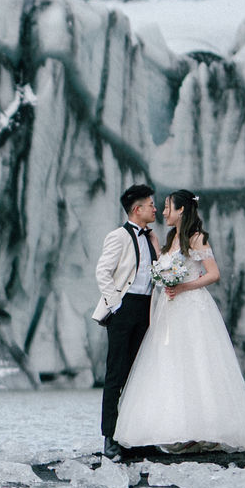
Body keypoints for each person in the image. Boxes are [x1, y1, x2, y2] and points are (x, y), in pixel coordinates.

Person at [113, 189, 245, 453]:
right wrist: (159, 252)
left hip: (192, 307)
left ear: (182, 210)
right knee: (174, 366)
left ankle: (205, 429)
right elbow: (165, 267)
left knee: (198, 365)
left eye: (168, 206)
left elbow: (213, 274)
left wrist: (184, 287)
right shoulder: (170, 238)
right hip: (170, 310)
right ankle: (182, 430)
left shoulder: (197, 238)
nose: (164, 211)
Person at [93, 183, 161, 460]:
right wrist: (116, 305)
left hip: (147, 308)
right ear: (137, 209)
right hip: (125, 308)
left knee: (139, 374)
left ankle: (136, 436)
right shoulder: (118, 236)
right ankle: (110, 438)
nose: (155, 209)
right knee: (116, 375)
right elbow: (103, 272)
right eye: (151, 205)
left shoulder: (151, 237)